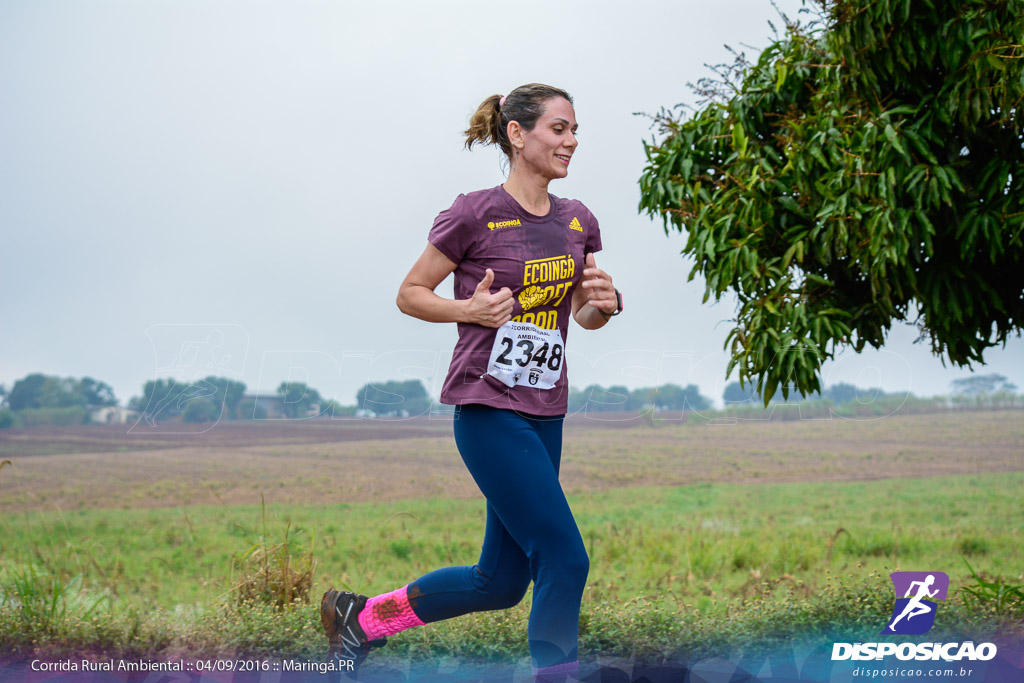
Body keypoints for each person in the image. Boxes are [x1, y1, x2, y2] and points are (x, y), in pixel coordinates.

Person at [321, 83, 622, 682]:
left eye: (574, 129)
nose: (572, 140)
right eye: (558, 129)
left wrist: (602, 305)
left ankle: (362, 619)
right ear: (518, 134)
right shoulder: (474, 213)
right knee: (564, 557)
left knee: (502, 582)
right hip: (487, 410)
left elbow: (581, 318)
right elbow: (410, 293)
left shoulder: (578, 220)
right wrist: (469, 311)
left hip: (546, 411)